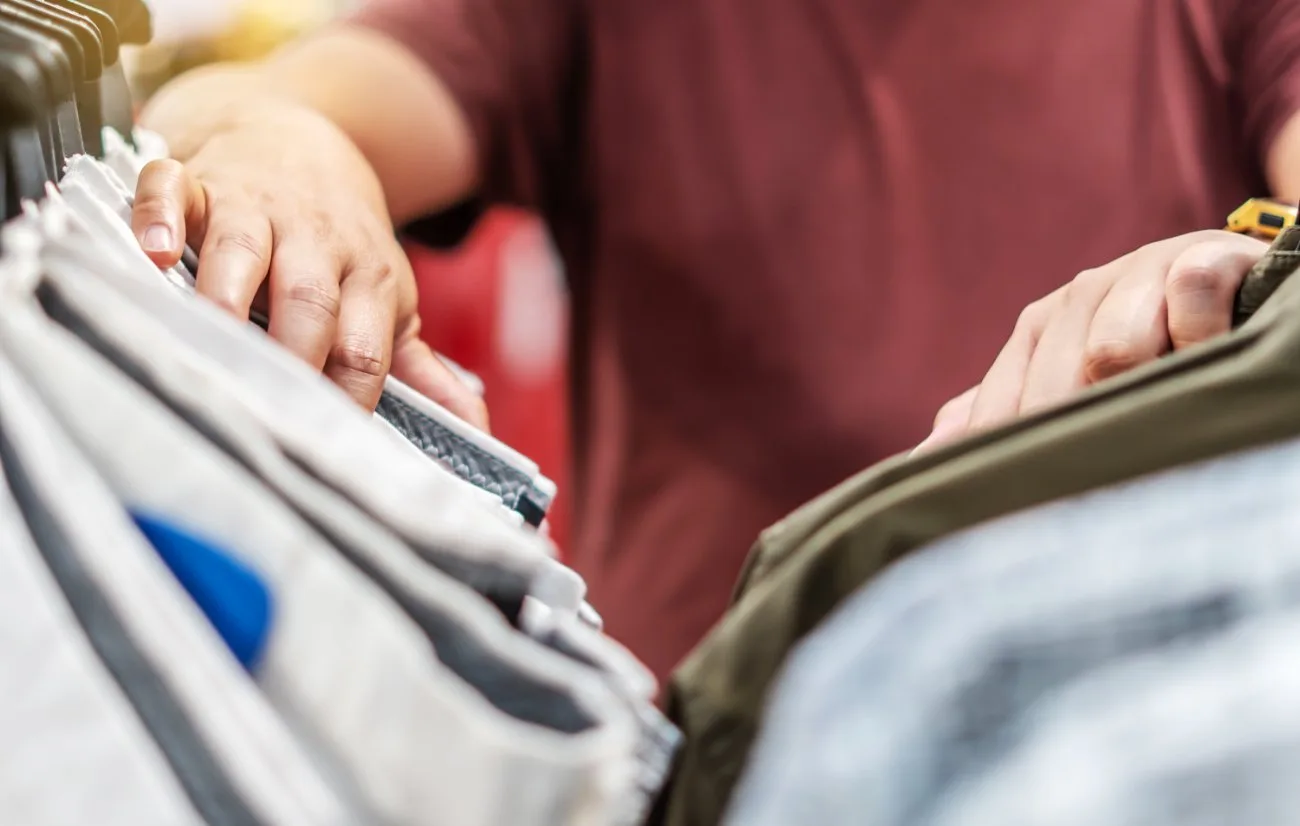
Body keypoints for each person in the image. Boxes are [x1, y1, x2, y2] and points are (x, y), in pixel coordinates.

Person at [128, 0, 1300, 683]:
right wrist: (278, 139)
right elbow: (271, 101)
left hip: (1117, 724)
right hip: (706, 744)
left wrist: (1245, 265)